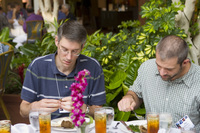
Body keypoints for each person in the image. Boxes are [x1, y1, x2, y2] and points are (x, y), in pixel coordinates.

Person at [20, 20, 106, 119]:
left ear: (82, 46)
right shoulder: (37, 66)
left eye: (75, 51)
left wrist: (84, 108)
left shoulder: (93, 67)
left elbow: (99, 111)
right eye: (64, 49)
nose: (69, 57)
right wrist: (35, 107)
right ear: (57, 41)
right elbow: (23, 111)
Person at [118, 35, 200, 131]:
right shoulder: (147, 68)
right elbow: (135, 94)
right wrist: (130, 98)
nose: (161, 73)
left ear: (184, 62)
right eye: (158, 65)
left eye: (169, 69)